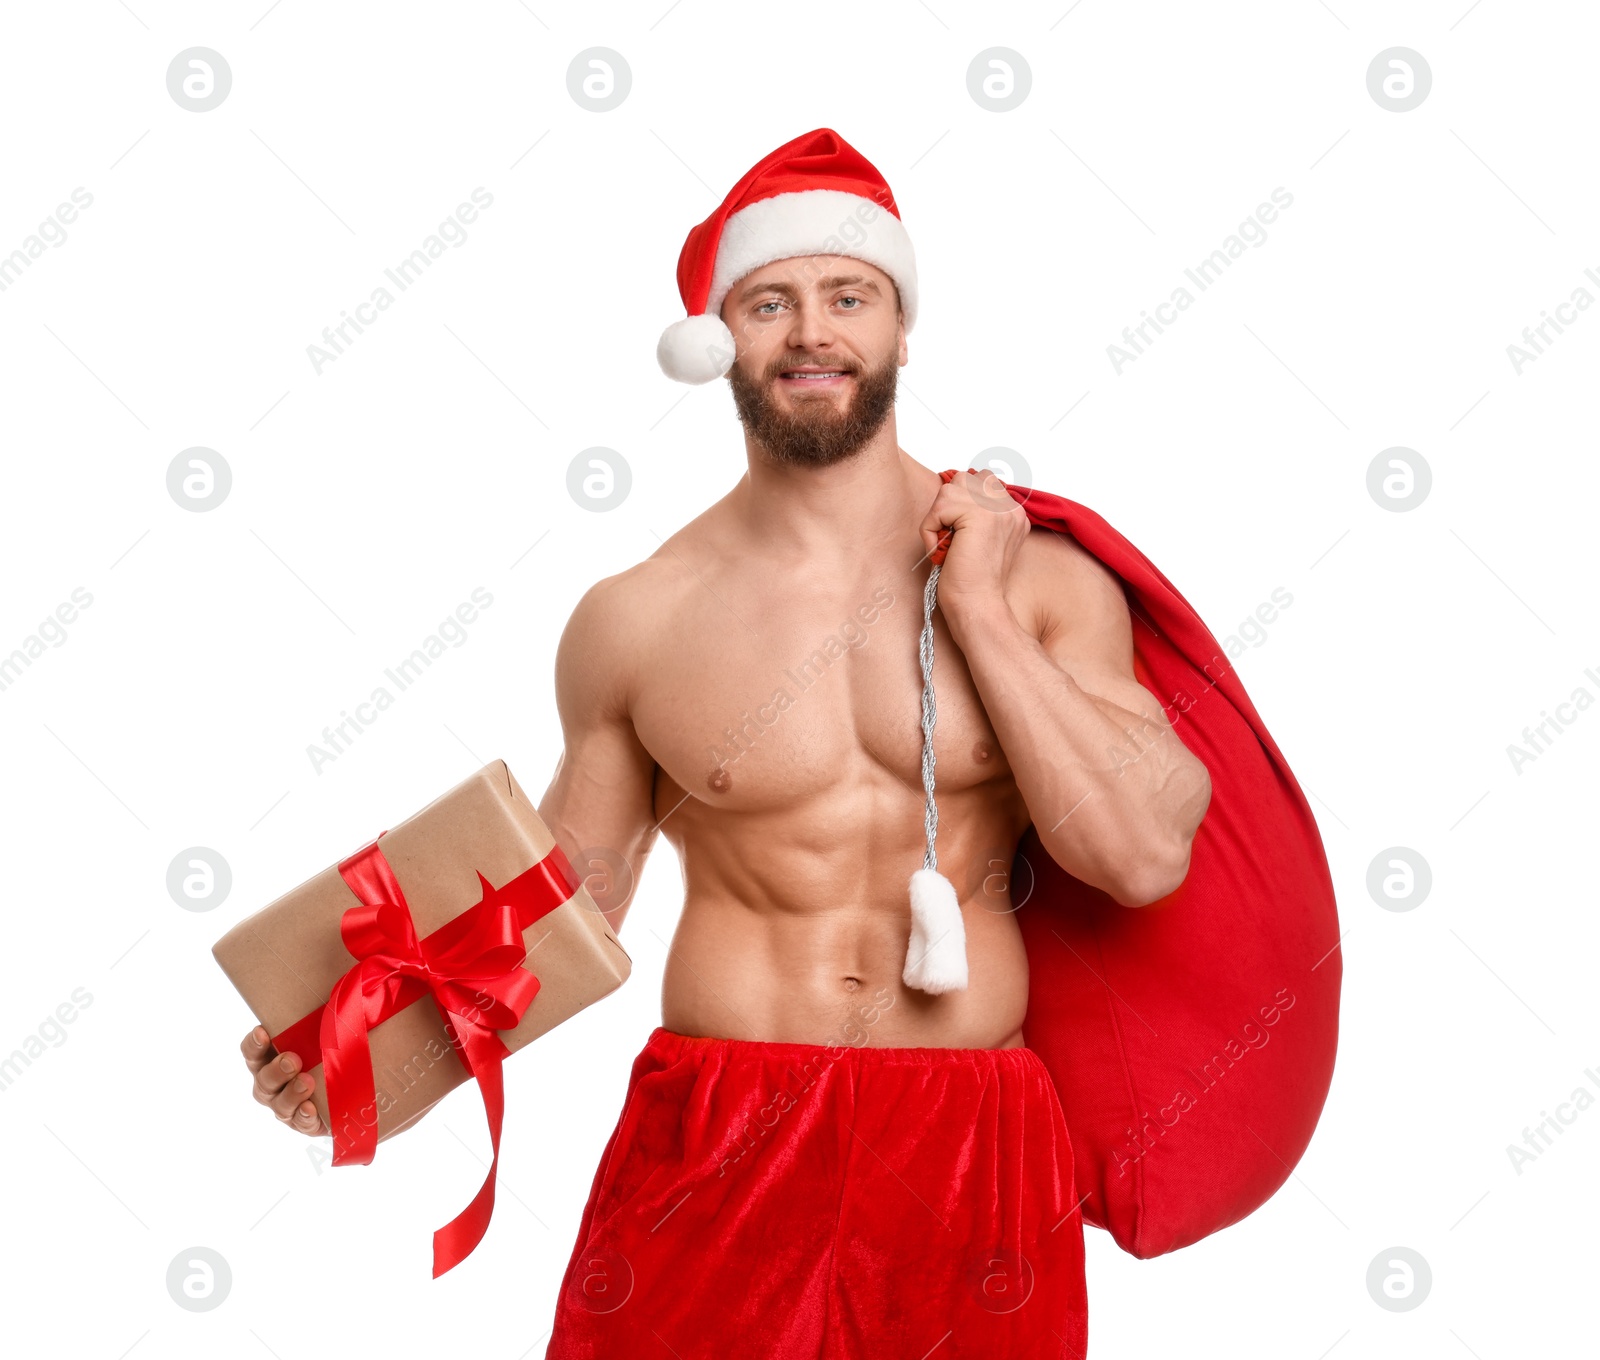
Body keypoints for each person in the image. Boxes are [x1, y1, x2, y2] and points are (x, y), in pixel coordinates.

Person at [241, 128, 1211, 1357]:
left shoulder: (1042, 583)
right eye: (770, 302)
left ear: (900, 328)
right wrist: (363, 1047)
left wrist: (976, 610)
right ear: (720, 342)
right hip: (720, 1120)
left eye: (847, 296)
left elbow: (1140, 856)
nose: (812, 332)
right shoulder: (638, 616)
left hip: (970, 1133)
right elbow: (565, 903)